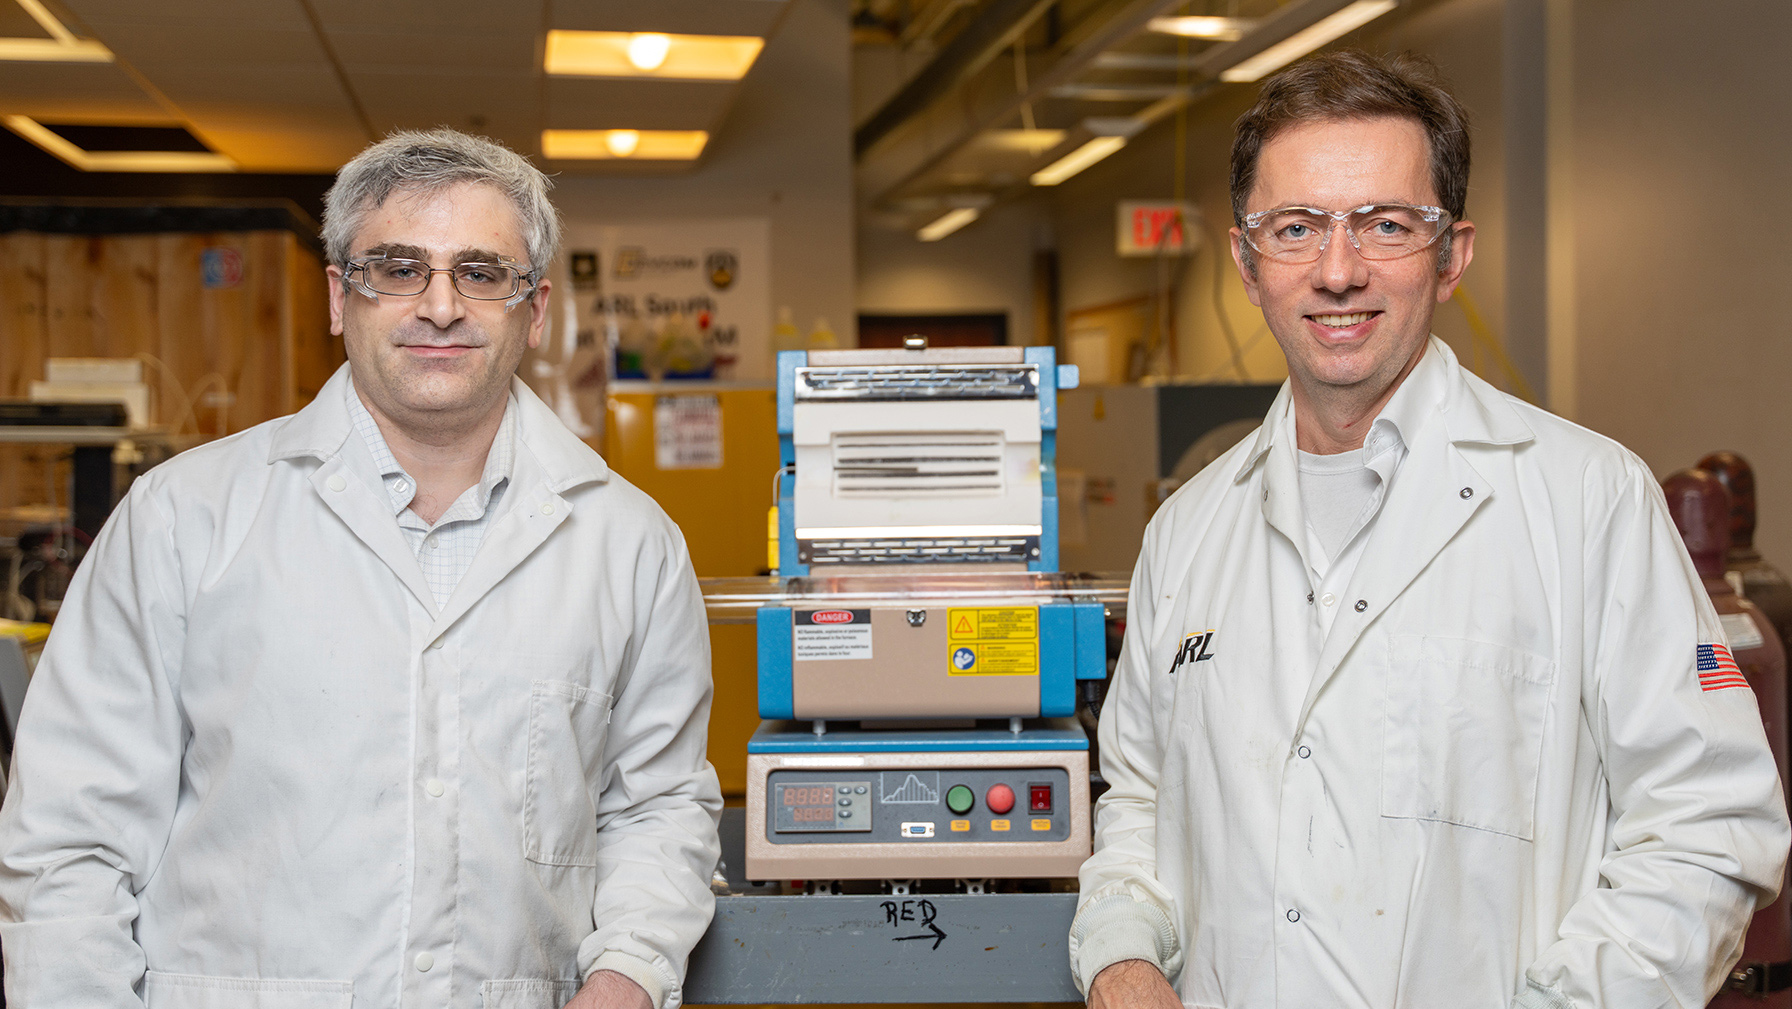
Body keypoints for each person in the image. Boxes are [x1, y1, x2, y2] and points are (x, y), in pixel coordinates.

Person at [1070, 51, 1789, 1009]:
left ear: (1452, 256)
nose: (1337, 270)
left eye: (1386, 224)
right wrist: (1123, 959)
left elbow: (1711, 823)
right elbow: (1141, 802)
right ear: (1247, 263)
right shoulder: (1188, 532)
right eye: (1296, 228)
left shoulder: (1587, 500)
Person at [0, 129, 722, 1009]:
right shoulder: (181, 520)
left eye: (481, 273)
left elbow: (658, 808)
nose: (441, 306)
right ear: (341, 298)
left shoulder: (631, 546)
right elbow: (71, 839)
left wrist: (626, 976)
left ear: (533, 311)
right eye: (398, 268)